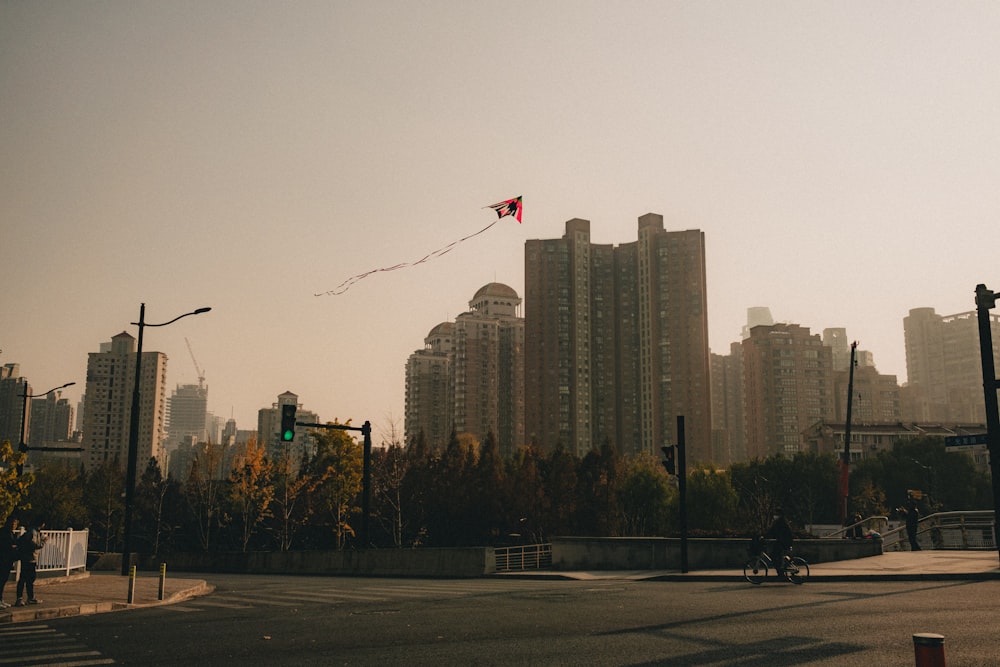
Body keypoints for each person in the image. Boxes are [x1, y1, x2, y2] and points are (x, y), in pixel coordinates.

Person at [14, 518, 46, 607]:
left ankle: (28, 597)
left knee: (28, 579)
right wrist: (44, 541)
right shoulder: (33, 532)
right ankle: (22, 598)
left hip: (28, 557)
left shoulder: (32, 531)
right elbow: (34, 545)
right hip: (30, 558)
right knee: (26, 578)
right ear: (42, 524)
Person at [0, 516, 18, 609]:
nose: (13, 525)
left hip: (8, 560)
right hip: (3, 559)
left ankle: (1, 599)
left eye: (15, 523)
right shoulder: (3, 532)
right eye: (12, 523)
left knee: (3, 580)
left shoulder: (11, 533)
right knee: (1, 580)